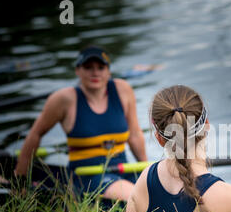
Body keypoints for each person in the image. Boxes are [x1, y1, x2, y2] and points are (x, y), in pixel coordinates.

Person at [14, 46, 147, 201]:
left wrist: (145, 170)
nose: (95, 73)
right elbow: (35, 134)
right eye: (88, 67)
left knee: (161, 188)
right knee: (139, 198)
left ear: (108, 71)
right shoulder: (63, 99)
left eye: (100, 67)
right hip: (86, 176)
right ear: (78, 71)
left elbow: (135, 135)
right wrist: (20, 180)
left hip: (124, 169)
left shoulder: (123, 89)